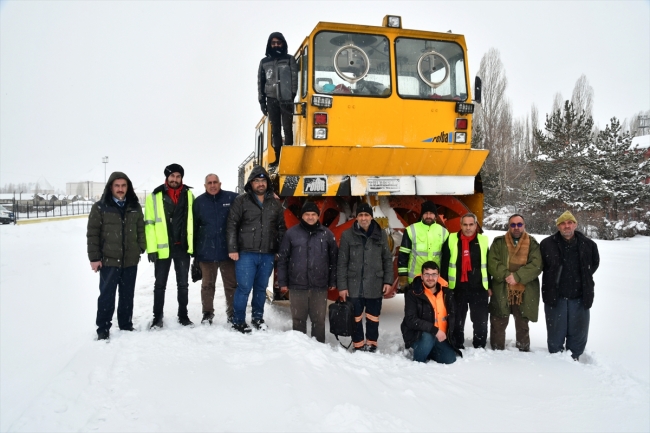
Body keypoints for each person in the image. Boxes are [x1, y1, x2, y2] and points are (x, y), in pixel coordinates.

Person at [227, 166, 286, 333]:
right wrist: (233, 248)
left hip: (267, 253)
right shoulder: (241, 201)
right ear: (251, 183)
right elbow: (232, 225)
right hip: (246, 253)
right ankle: (238, 321)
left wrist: (279, 250)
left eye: (263, 181)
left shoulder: (275, 203)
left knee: (261, 288)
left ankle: (257, 318)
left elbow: (281, 227)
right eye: (257, 181)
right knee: (244, 288)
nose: (260, 184)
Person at [87, 172, 146, 340]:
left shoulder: (134, 206)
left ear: (128, 187)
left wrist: (140, 248)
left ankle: (126, 325)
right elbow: (92, 234)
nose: (120, 189)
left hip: (130, 260)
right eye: (117, 186)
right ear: (111, 187)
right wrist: (94, 258)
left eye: (123, 186)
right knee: (107, 295)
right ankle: (103, 328)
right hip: (108, 261)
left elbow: (140, 229)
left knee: (127, 295)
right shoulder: (100, 207)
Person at [540, 211, 599, 360]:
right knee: (555, 333)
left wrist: (581, 277)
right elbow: (541, 265)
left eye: (570, 222)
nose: (567, 226)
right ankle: (556, 360)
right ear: (558, 226)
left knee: (578, 332)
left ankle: (575, 358)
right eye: (563, 223)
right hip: (555, 296)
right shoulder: (547, 244)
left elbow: (594, 264)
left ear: (575, 224)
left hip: (580, 295)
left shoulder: (589, 244)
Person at [277, 202, 338, 343]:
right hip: (297, 286)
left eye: (313, 214)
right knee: (298, 320)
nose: (310, 217)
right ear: (302, 216)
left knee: (319, 321)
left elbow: (334, 260)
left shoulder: (327, 234)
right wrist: (283, 282)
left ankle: (319, 349)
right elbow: (283, 259)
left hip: (319, 286)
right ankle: (300, 349)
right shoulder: (291, 234)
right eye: (307, 214)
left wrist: (332, 281)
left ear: (318, 216)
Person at [337, 203, 394, 352]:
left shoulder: (381, 234)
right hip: (354, 284)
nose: (363, 218)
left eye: (366, 215)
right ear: (356, 217)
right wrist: (342, 286)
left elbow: (387, 259)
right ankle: (358, 345)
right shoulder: (347, 235)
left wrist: (388, 280)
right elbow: (342, 262)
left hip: (375, 282)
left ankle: (371, 344)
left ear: (371, 217)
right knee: (355, 317)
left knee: (373, 316)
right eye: (361, 215)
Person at [145, 163, 195, 328]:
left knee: (183, 284)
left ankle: (183, 315)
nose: (175, 179)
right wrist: (151, 248)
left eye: (178, 176)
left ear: (181, 178)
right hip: (162, 249)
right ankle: (157, 317)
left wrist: (192, 246)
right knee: (160, 285)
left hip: (182, 248)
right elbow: (149, 225)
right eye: (172, 176)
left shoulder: (189, 195)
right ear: (167, 177)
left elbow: (192, 222)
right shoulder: (154, 196)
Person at [487, 214, 542, 351]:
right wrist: (507, 275)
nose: (516, 227)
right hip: (502, 287)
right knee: (498, 320)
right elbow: (492, 263)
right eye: (513, 224)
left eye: (519, 224)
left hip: (524, 290)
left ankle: (523, 351)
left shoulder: (533, 243)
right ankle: (496, 349)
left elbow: (536, 265)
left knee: (523, 322)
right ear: (508, 226)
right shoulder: (499, 242)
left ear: (524, 225)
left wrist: (517, 276)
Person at [193, 173, 239, 325]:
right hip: (206, 252)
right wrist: (195, 254)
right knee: (207, 285)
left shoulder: (231, 198)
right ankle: (207, 314)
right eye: (209, 183)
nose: (213, 185)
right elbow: (193, 227)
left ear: (220, 183)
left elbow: (251, 197)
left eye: (215, 182)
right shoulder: (198, 202)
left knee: (231, 285)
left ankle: (232, 313)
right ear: (205, 185)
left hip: (228, 252)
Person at [440, 213, 491, 349]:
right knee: (457, 319)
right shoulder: (451, 239)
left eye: (471, 224)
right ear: (460, 225)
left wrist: (489, 285)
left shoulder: (483, 240)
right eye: (465, 224)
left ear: (476, 225)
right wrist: (444, 286)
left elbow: (488, 265)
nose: (468, 228)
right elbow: (444, 264)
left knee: (480, 321)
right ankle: (457, 344)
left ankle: (479, 345)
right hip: (457, 287)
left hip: (479, 287)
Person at [401, 261, 462, 363]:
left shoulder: (446, 293)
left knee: (449, 358)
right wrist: (435, 330)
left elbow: (453, 317)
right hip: (418, 335)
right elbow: (410, 319)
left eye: (434, 274)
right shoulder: (413, 293)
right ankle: (418, 359)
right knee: (428, 337)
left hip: (440, 337)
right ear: (422, 276)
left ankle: (428, 350)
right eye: (427, 274)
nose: (430, 278)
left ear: (438, 276)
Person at [258, 32, 298, 168]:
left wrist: (291, 96)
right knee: (275, 130)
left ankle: (288, 158)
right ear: (270, 44)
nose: (276, 45)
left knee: (287, 129)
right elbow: (260, 82)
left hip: (286, 99)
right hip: (271, 99)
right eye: (273, 43)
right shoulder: (264, 62)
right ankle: (278, 158)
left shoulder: (289, 59)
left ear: (283, 43)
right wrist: (262, 101)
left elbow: (294, 80)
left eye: (278, 42)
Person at [398, 200, 448, 290]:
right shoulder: (411, 230)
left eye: (431, 213)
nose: (428, 216)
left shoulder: (444, 232)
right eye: (426, 213)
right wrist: (403, 276)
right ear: (421, 214)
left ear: (435, 215)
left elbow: (446, 258)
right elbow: (403, 255)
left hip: (435, 281)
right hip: (414, 279)